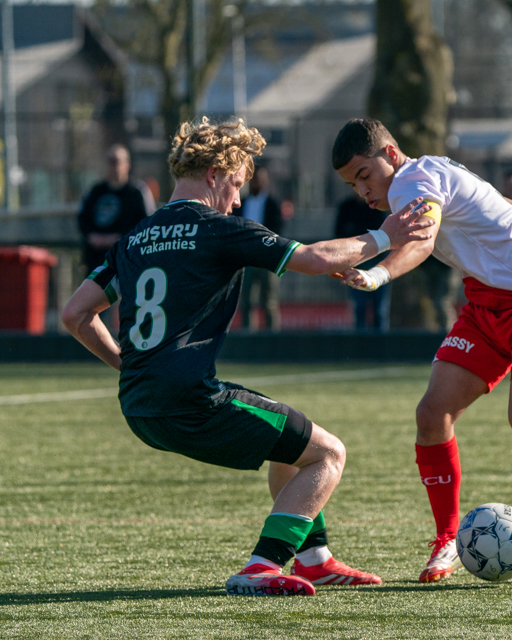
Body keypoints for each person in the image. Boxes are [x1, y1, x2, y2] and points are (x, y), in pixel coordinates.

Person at [61, 118, 435, 596]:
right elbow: (317, 260)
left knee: (294, 444)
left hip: (137, 405)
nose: (238, 198)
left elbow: (76, 314)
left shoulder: (134, 238)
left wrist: (127, 365)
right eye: (236, 183)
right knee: (330, 454)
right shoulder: (219, 228)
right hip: (190, 400)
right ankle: (263, 565)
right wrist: (385, 238)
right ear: (216, 173)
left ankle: (315, 558)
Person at [331, 118, 512, 583]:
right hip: (485, 305)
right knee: (432, 415)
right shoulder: (429, 173)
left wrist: (378, 275)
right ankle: (446, 539)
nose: (362, 189)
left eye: (364, 174)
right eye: (351, 183)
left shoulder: (413, 182)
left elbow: (420, 244)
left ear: (390, 153)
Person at [77, 144, 156, 275]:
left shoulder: (137, 192)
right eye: (110, 162)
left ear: (127, 164)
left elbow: (147, 224)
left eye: (117, 162)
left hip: (127, 261)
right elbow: (82, 219)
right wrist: (92, 236)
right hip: (97, 262)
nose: (113, 166)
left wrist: (120, 238)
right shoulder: (95, 192)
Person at [233, 167, 289, 330]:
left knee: (269, 301)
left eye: (260, 179)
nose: (256, 182)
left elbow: (278, 227)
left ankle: (272, 339)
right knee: (246, 301)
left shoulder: (272, 203)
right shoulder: (242, 202)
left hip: (266, 259)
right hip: (247, 258)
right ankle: (248, 336)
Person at [334, 194, 391, 330]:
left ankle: (381, 346)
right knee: (359, 306)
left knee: (380, 309)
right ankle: (360, 346)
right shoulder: (346, 207)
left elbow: (386, 236)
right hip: (355, 265)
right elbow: (338, 233)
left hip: (377, 263)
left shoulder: (378, 206)